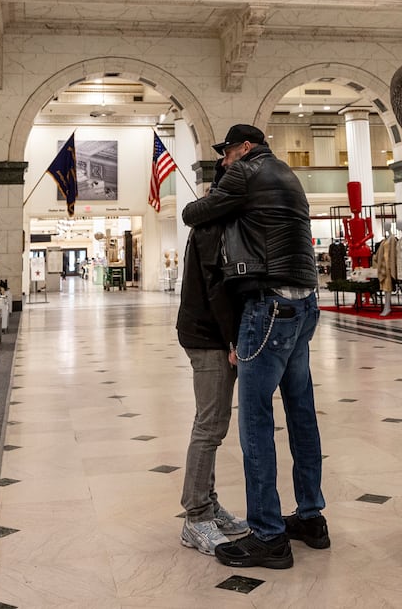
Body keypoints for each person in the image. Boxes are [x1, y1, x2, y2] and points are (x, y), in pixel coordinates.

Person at [182, 123, 326, 570]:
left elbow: (190, 212)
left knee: (256, 422)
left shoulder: (245, 172)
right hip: (305, 304)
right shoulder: (288, 175)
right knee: (301, 412)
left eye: (226, 153)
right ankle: (310, 517)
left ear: (245, 148)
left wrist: (217, 193)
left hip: (270, 307)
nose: (222, 162)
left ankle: (267, 534)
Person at [174, 162, 249, 555]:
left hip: (207, 334)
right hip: (208, 338)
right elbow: (217, 289)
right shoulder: (211, 228)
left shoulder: (213, 223)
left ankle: (210, 502)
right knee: (210, 426)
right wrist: (231, 338)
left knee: (213, 422)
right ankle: (196, 516)